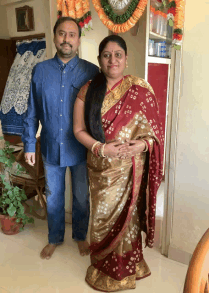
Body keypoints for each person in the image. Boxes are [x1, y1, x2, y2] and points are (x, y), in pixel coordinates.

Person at [73, 35, 164, 291]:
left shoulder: (140, 90)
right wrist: (101, 148)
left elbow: (156, 133)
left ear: (126, 59)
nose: (112, 60)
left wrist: (143, 145)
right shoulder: (88, 89)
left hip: (130, 168)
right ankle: (104, 267)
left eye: (117, 54)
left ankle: (129, 266)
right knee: (103, 217)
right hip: (101, 167)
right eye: (106, 55)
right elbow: (78, 130)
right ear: (100, 59)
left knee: (129, 219)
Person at [22, 17, 99, 260]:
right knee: (54, 196)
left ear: (78, 39)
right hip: (50, 146)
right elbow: (31, 110)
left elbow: (97, 112)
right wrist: (28, 145)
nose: (66, 39)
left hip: (80, 148)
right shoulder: (40, 71)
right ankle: (54, 238)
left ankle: (80, 236)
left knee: (80, 195)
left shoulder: (91, 72)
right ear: (55, 37)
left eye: (72, 34)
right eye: (62, 34)